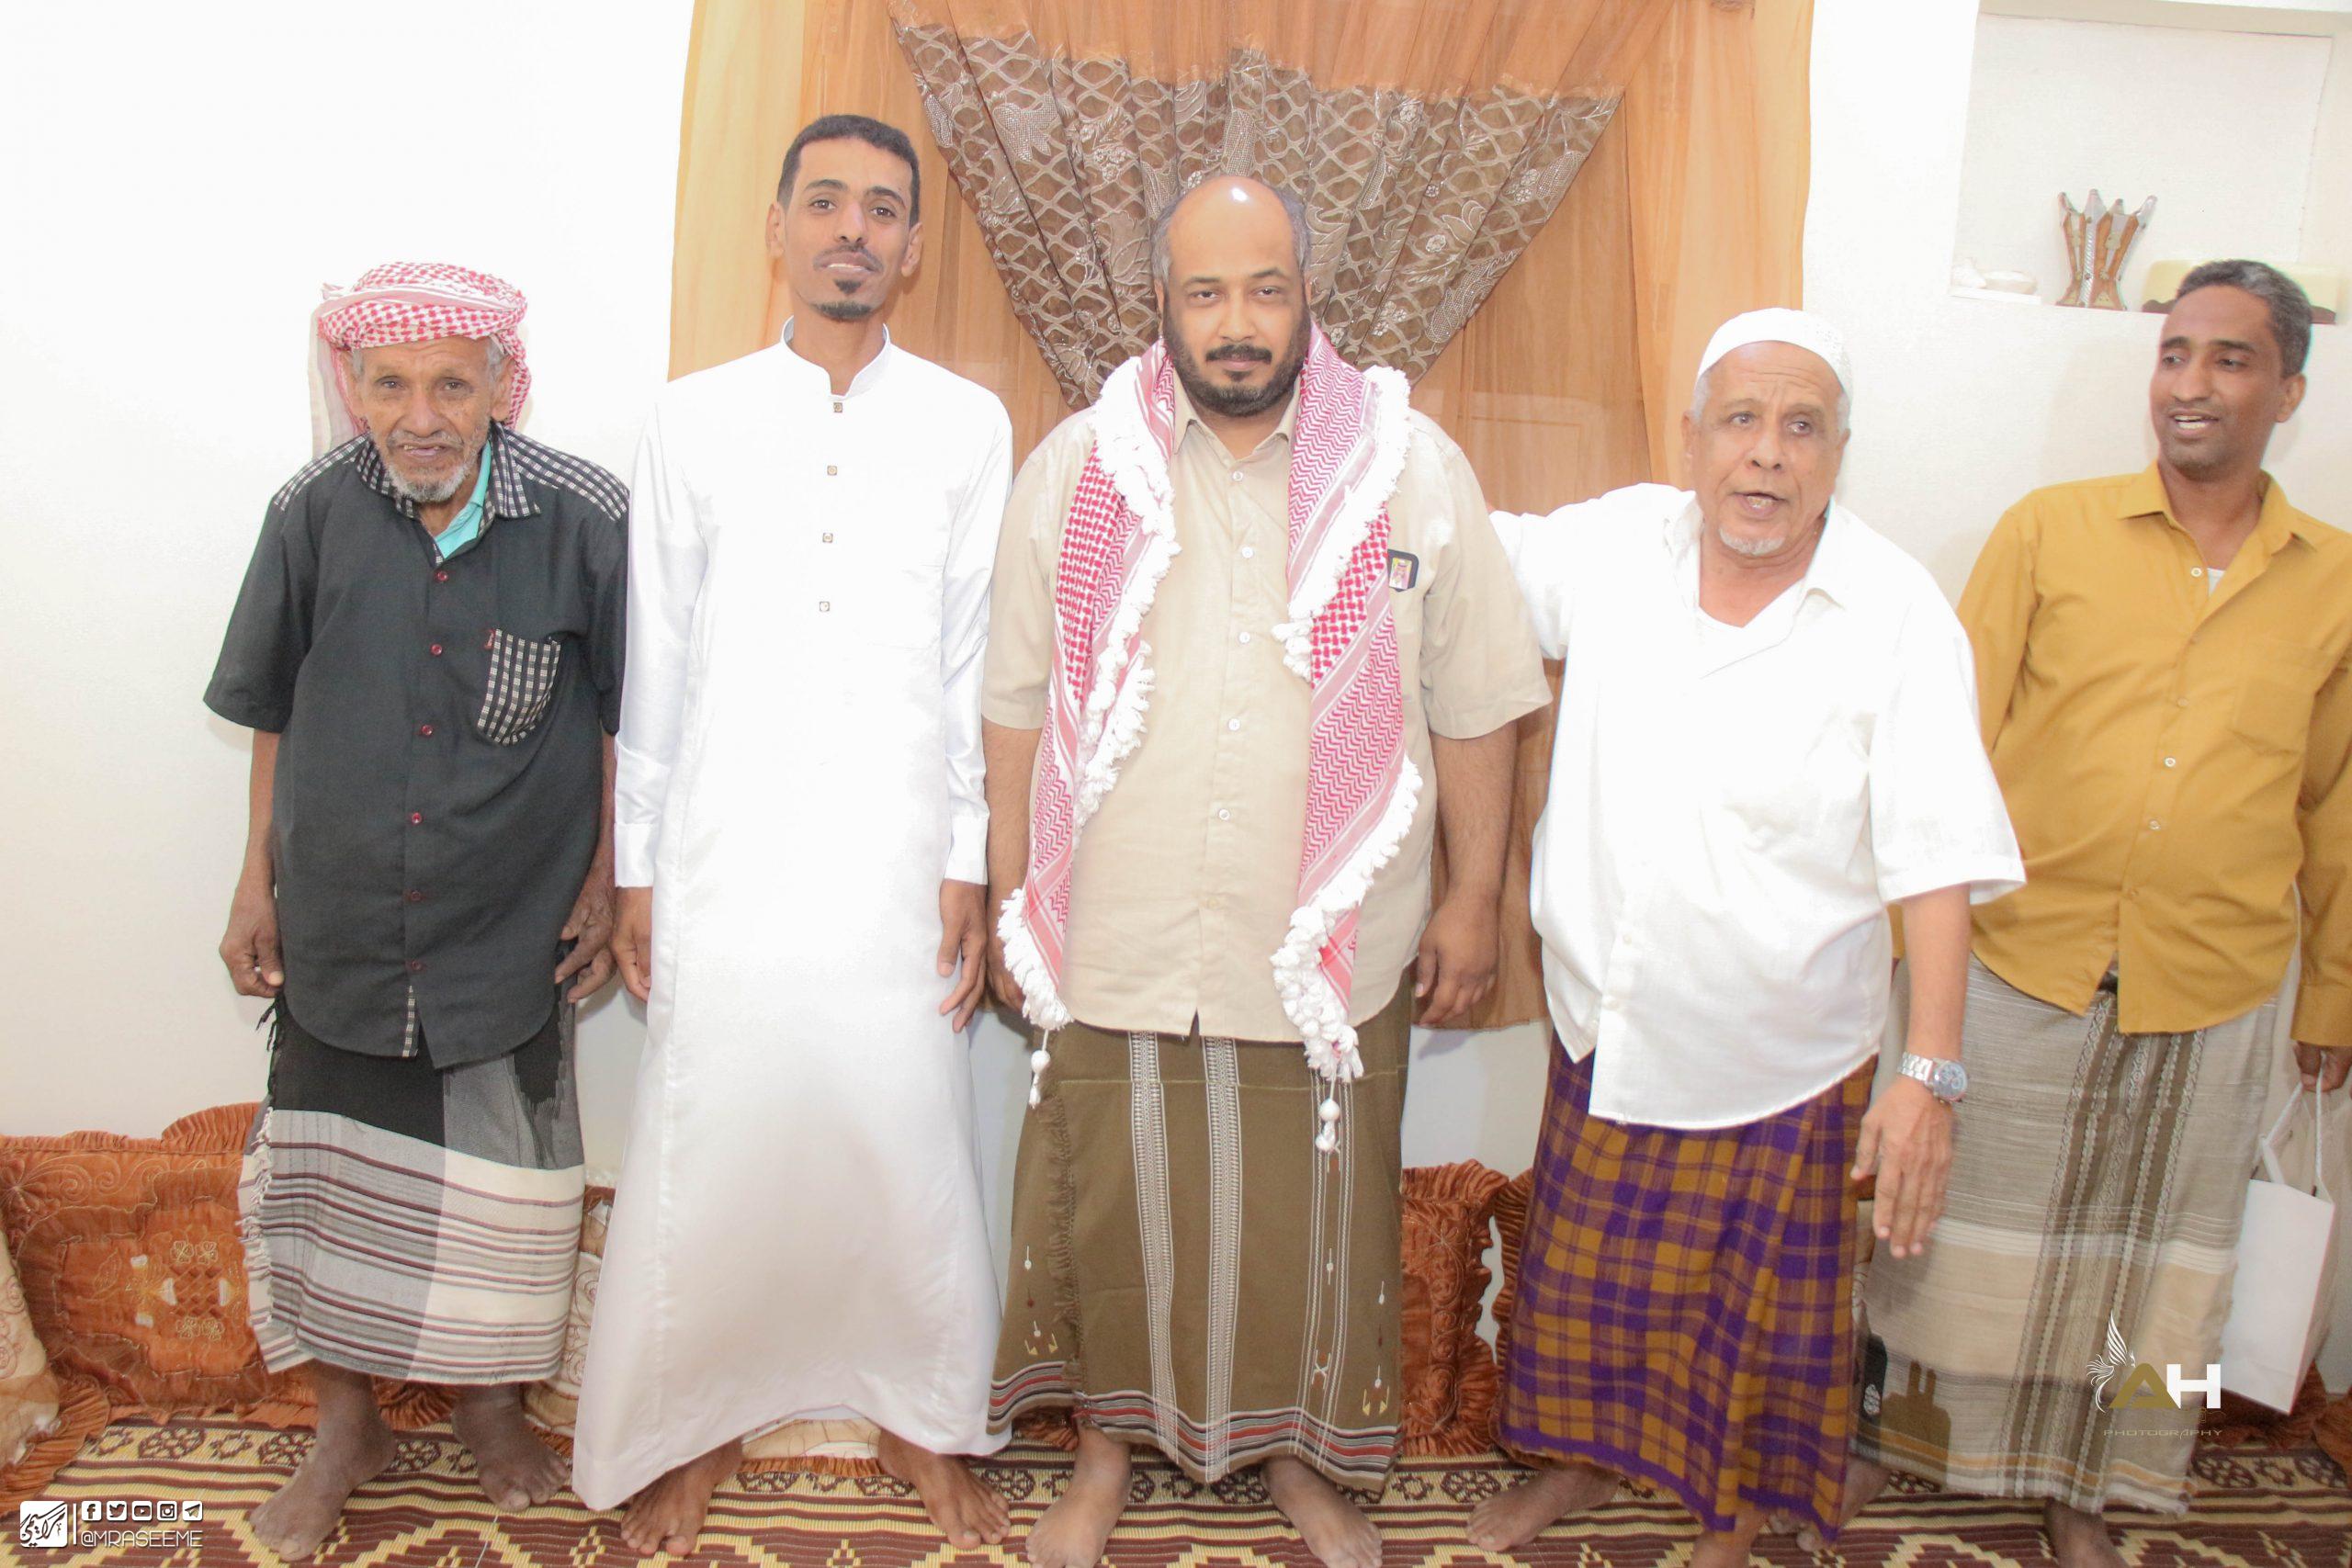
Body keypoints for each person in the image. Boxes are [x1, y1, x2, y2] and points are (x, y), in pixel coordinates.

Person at [981, 175, 1552, 1568]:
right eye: (1205, 293)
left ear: (1308, 296)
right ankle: (1104, 1454)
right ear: (1161, 304)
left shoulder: (1411, 468)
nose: (1236, 323)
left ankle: (1304, 1459)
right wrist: (1009, 898)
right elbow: (1014, 701)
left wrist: (1476, 897)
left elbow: (1480, 700)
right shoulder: (1081, 466)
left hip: (1328, 936)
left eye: (1265, 290)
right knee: (1108, 1201)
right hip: (1117, 925)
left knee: (1315, 1220)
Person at [1470, 309, 2024, 1564]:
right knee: (1585, 1294)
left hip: (1782, 1054)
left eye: (1801, 427)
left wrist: (1929, 1076)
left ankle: (1729, 1517)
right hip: (1608, 1025)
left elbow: (1938, 861)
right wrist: (1356, 434)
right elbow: (1462, 545)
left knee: (1752, 1335)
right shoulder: (1617, 544)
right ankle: (1579, 1467)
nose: (1767, 453)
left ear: (1838, 455)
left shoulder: (1896, 612)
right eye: (1741, 420)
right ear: (1693, 439)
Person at [1848, 260, 2352, 1568]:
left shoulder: (2336, 582)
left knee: (2166, 1271)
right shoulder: (2048, 531)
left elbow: (2337, 806)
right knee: (1950, 1236)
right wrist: (1909, 951)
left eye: (2231, 358)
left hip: (2216, 982)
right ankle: (1906, 1442)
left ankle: (2100, 1481)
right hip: (2023, 961)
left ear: (2290, 391)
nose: (2192, 383)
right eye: (2175, 353)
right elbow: (1943, 753)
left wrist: (2336, 994)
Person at [571, 114, 1016, 1557]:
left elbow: (970, 660)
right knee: (720, 1131)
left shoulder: (966, 423)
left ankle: (922, 1415)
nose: (851, 231)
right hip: (729, 838)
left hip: (897, 842)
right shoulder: (692, 416)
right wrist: (640, 868)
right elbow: (658, 657)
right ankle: (692, 1424)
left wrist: (968, 857)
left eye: (881, 209)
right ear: (776, 228)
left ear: (912, 246)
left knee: (902, 1128)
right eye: (824, 202)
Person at [208, 262, 626, 1560]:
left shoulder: (585, 516)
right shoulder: (313, 511)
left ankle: (491, 1410)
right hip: (343, 914)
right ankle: (346, 1430)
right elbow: (270, 706)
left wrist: (611, 878)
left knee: (510, 1192)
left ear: (502, 384)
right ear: (357, 389)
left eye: (452, 383)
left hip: (512, 917)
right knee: (332, 1184)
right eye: (390, 385)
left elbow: (628, 718)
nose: (421, 415)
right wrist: (255, 878)